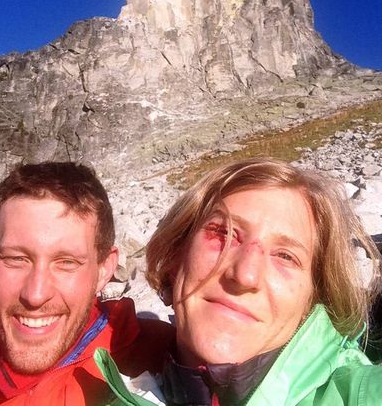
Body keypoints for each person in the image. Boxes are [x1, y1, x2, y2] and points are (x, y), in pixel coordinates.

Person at [96, 157, 382, 405]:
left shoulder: (361, 393)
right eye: (224, 233)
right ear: (174, 256)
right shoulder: (109, 390)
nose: (244, 275)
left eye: (285, 256)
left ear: (312, 300)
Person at [0, 162, 172, 405]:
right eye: (16, 259)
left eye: (66, 262)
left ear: (104, 270)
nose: (36, 294)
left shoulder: (159, 357)